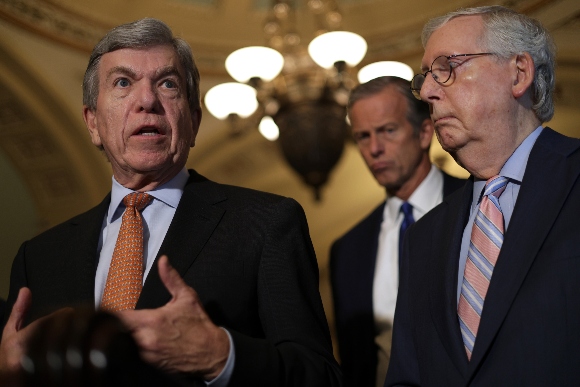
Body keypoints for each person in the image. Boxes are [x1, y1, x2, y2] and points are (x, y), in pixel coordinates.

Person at [0, 18, 342, 387]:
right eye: (123, 83)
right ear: (93, 123)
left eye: (167, 84)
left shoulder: (266, 223)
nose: (147, 101)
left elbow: (318, 376)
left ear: (193, 122)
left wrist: (221, 356)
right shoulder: (39, 257)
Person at [385, 5, 580, 386]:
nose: (426, 91)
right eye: (425, 77)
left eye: (447, 67)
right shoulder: (423, 238)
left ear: (519, 72)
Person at [330, 76, 464, 387]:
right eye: (362, 136)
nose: (374, 148)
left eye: (388, 131)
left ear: (424, 132)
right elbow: (354, 358)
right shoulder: (348, 249)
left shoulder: (478, 204)